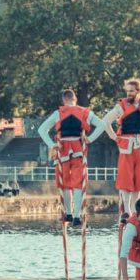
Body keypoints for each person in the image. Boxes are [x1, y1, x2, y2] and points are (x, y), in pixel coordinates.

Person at [37, 89, 108, 227]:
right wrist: (90, 139)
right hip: (79, 150)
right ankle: (76, 216)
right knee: (78, 183)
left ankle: (68, 213)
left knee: (64, 183)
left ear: (63, 100)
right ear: (75, 99)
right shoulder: (85, 112)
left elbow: (42, 129)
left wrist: (51, 144)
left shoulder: (58, 113)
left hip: (62, 150)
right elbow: (102, 125)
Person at [95, 78, 140, 220]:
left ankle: (134, 210)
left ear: (139, 91)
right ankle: (127, 210)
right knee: (126, 180)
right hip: (127, 146)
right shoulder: (122, 105)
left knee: (139, 182)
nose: (128, 94)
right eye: (127, 91)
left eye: (131, 91)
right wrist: (113, 136)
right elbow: (106, 120)